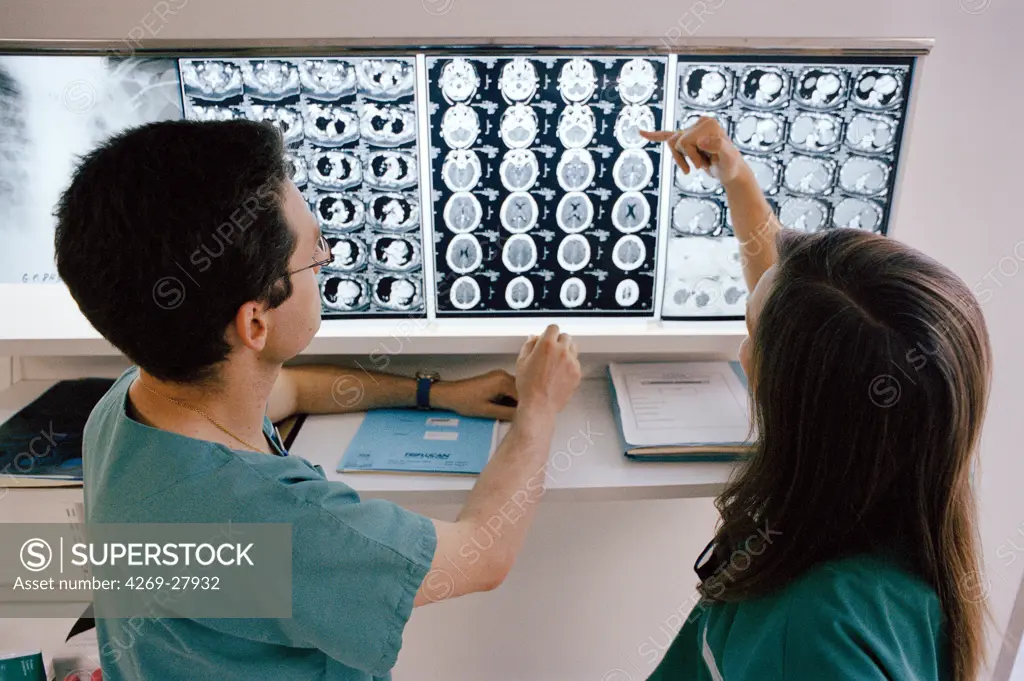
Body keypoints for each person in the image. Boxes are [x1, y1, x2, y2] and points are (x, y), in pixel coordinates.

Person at [54, 119, 582, 681]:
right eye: (315, 252)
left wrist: (436, 393)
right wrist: (540, 407)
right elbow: (483, 555)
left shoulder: (125, 409)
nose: (326, 260)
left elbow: (290, 389)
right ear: (255, 321)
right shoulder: (281, 527)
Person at [640, 119, 989, 681]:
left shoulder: (812, 634)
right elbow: (794, 309)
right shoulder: (905, 489)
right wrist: (736, 177)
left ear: (792, 396)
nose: (743, 347)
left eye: (752, 334)